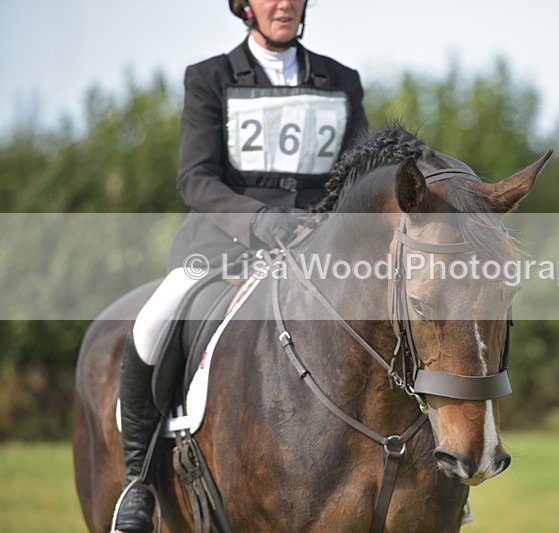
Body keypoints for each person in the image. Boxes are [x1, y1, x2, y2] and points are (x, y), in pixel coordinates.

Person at [113, 1, 368, 531]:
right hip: (225, 244)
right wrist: (258, 220)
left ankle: (426, 471)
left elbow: (359, 177)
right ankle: (138, 483)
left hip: (315, 250)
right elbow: (196, 178)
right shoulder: (210, 78)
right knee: (153, 322)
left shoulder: (342, 81)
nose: (284, 3)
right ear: (245, 6)